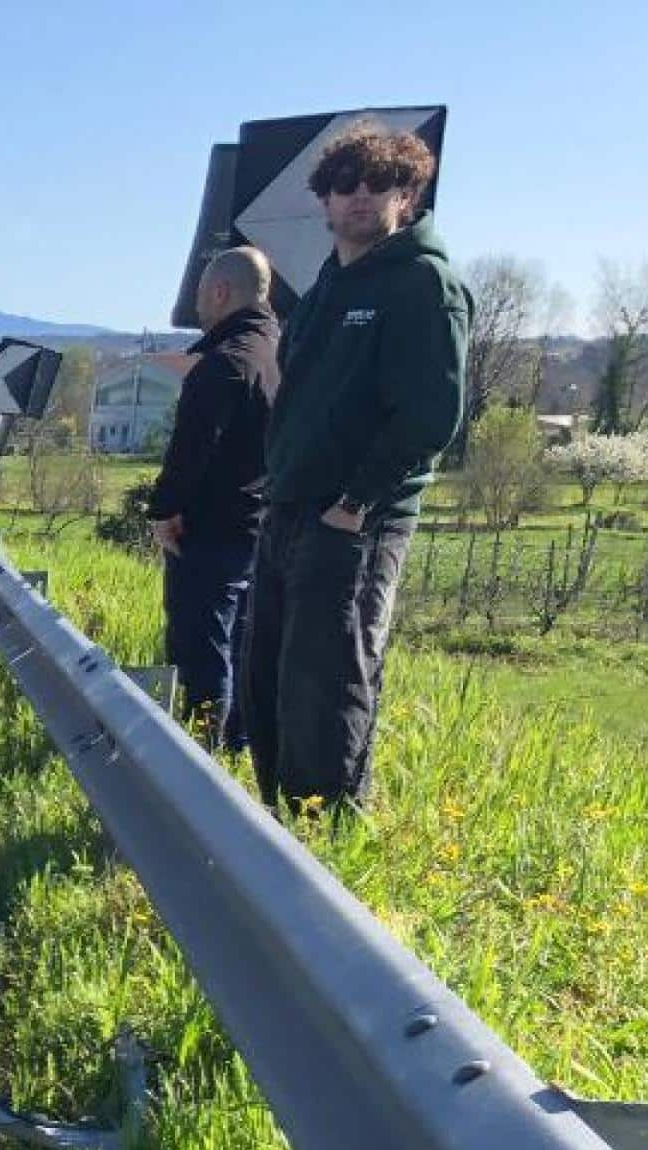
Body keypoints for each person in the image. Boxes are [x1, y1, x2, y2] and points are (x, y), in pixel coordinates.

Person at [238, 117, 469, 812]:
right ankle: (277, 823)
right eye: (346, 184)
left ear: (410, 196)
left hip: (353, 522)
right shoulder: (326, 288)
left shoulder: (423, 285)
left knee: (326, 680)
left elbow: (430, 417)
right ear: (325, 200)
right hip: (290, 509)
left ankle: (328, 842)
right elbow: (300, 397)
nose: (361, 196)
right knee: (267, 681)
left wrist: (356, 504)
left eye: (381, 183)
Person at [147, 246, 280, 751]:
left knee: (203, 653)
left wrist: (164, 512)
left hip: (210, 533)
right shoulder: (282, 355)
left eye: (202, 296)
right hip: (266, 530)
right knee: (245, 650)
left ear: (220, 292)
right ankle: (236, 753)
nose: (198, 308)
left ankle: (202, 761)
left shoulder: (222, 365)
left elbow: (190, 453)